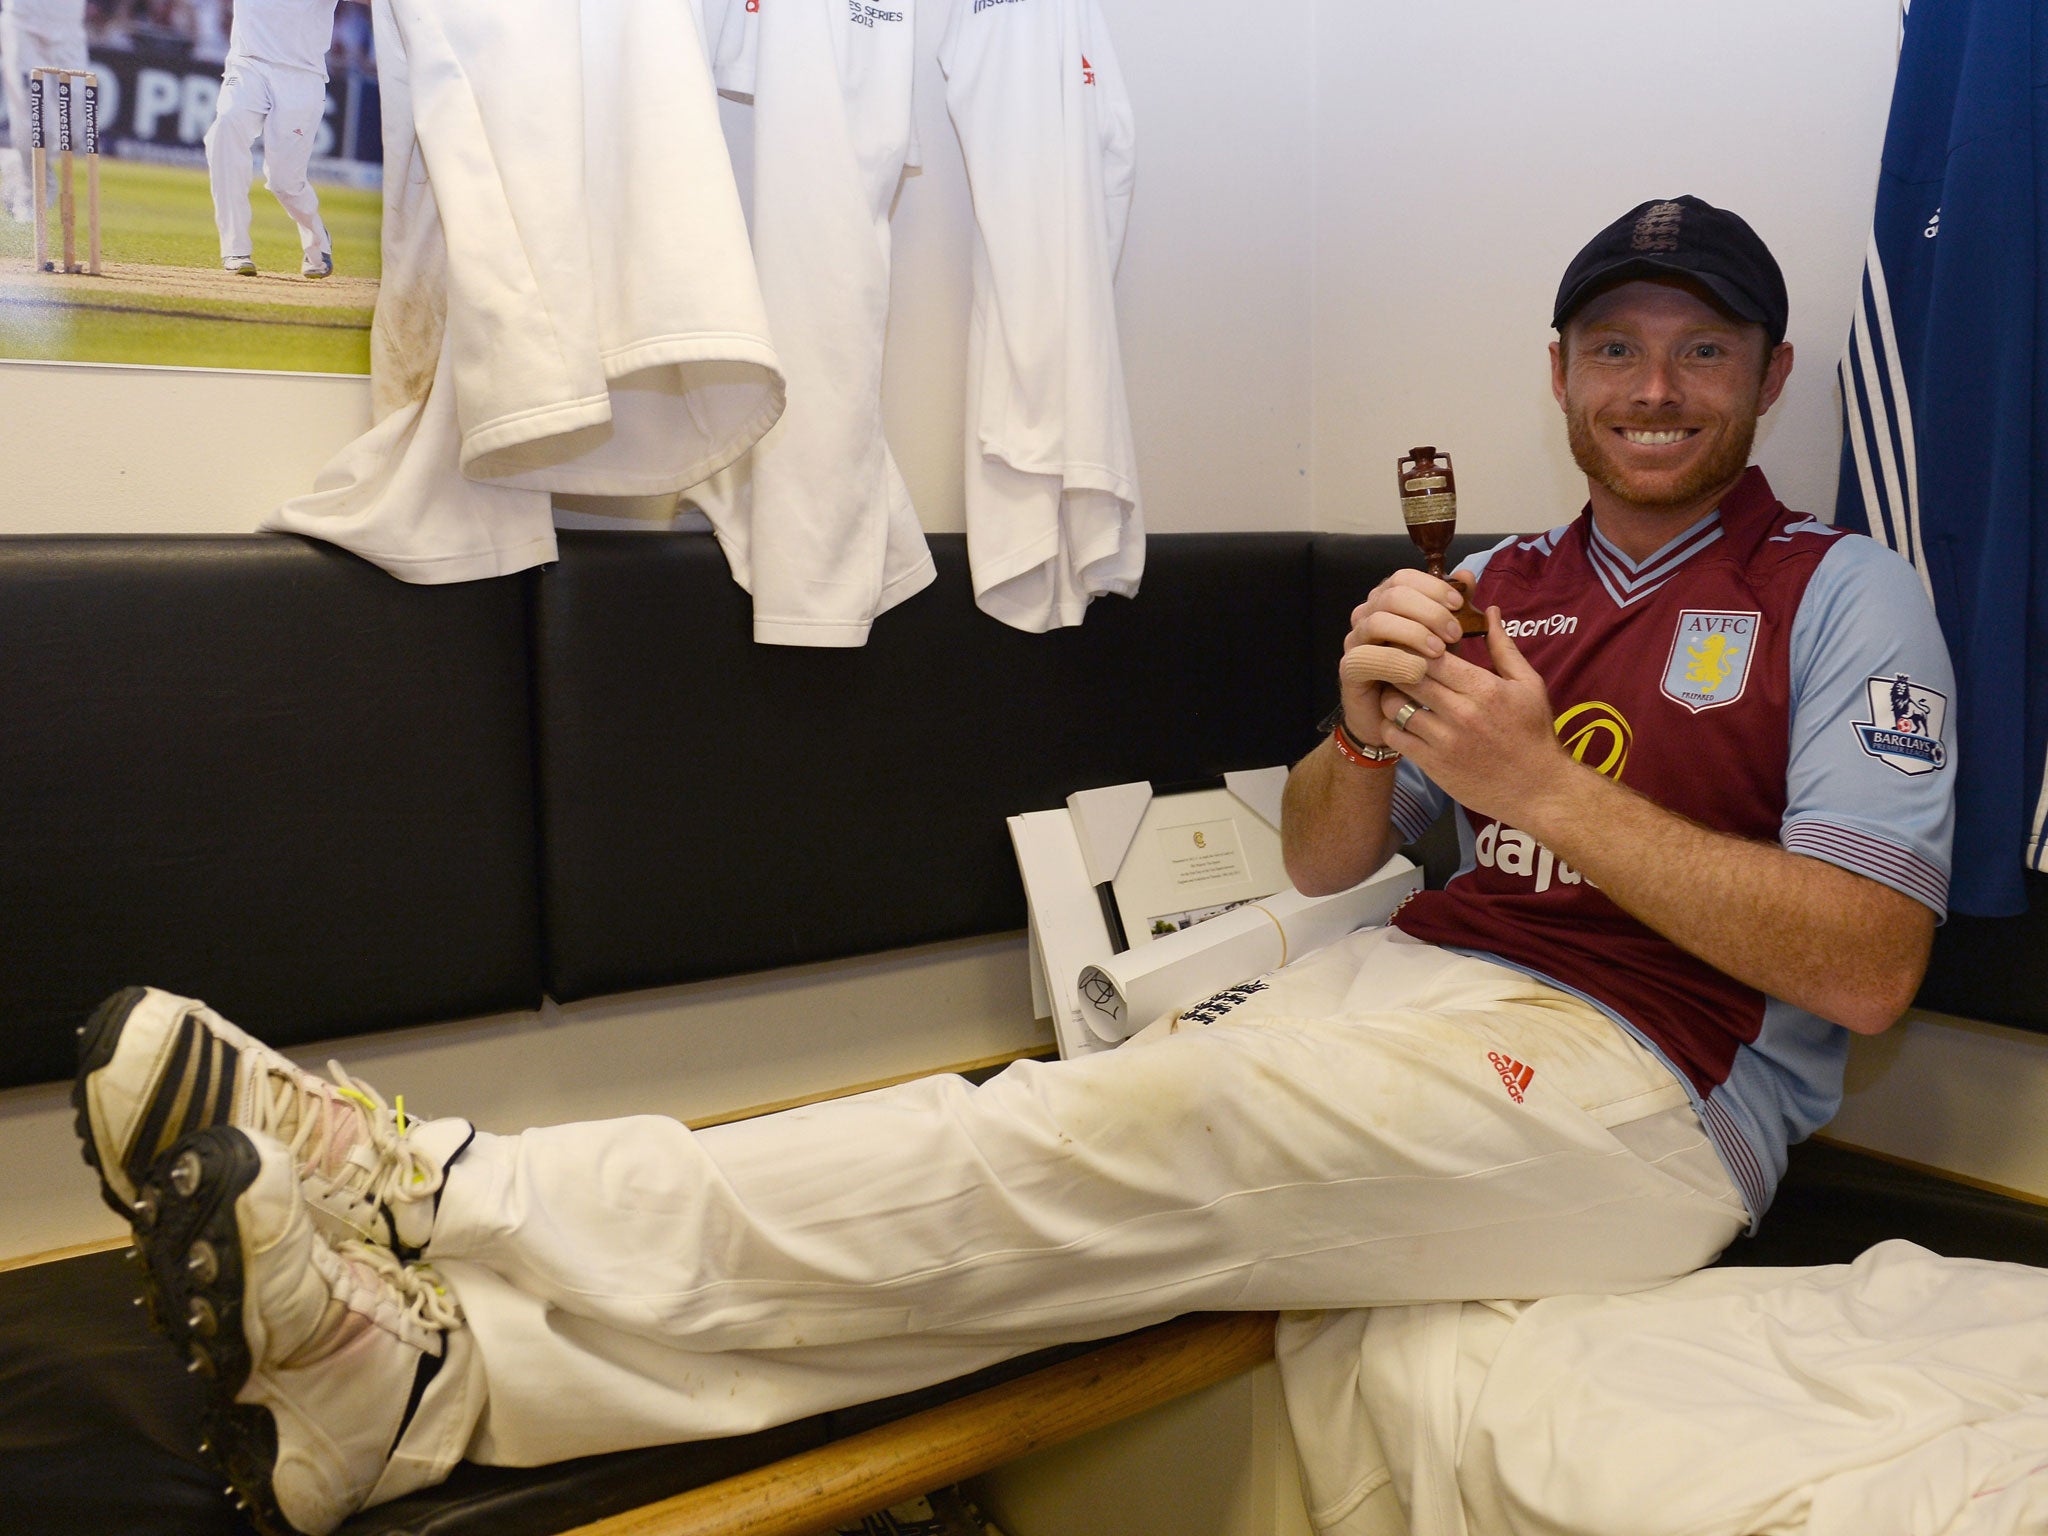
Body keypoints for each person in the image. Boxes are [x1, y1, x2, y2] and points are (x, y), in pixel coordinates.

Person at [74, 195, 1956, 1536]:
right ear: (1557, 368)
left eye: (1699, 349)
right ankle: (427, 1392)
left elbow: (1866, 966)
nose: (1653, 384)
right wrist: (1368, 722)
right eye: (1616, 346)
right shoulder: (1501, 586)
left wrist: (1548, 779)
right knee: (1053, 1203)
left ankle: (445, 1186)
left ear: (1767, 376)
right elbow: (1320, 857)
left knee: (1056, 1152)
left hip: (1644, 1096)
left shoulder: (1836, 596)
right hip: (1398, 996)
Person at [202, 0, 354, 278]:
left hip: (303, 75)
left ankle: (318, 241)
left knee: (285, 182)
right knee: (226, 126)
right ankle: (235, 248)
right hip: (249, 63)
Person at [0, 0, 86, 222]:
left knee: (75, 133)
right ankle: (28, 193)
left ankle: (16, 161)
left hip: (70, 30)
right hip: (23, 25)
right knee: (37, 129)